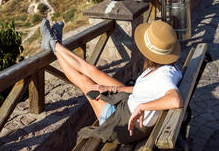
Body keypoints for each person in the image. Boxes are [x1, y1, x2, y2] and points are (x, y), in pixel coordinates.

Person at [41, 18, 183, 144]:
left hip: (120, 121)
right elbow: (149, 90)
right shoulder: (169, 68)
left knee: (84, 81)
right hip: (129, 102)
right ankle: (56, 44)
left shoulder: (164, 77)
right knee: (93, 71)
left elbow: (175, 100)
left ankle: (54, 45)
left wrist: (142, 107)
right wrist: (114, 89)